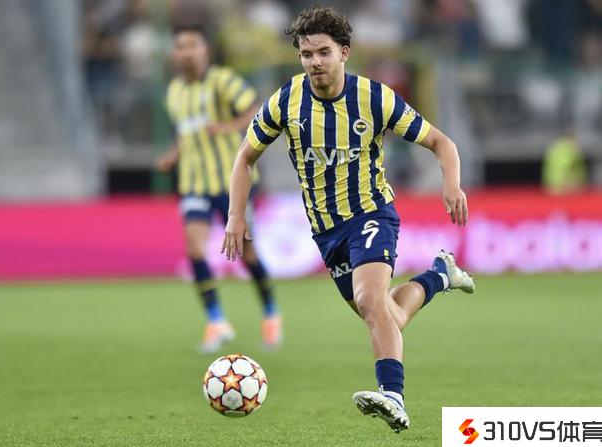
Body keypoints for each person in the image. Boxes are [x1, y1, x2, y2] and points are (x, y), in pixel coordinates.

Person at [222, 7, 475, 433]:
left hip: (372, 213)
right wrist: (235, 216)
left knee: (370, 301)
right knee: (387, 315)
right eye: (306, 54)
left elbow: (440, 142)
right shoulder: (286, 101)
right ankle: (438, 276)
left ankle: (393, 396)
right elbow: (245, 157)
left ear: (344, 52)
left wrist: (451, 185)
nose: (314, 62)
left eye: (323, 52)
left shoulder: (374, 98)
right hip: (326, 231)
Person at [156, 24, 282, 354]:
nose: (186, 52)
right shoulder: (174, 91)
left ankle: (271, 313)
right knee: (195, 251)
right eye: (180, 46)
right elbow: (186, 132)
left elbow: (256, 109)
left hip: (232, 183)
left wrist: (227, 127)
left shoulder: (222, 81)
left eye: (193, 45)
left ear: (205, 50)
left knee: (247, 254)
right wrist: (173, 155)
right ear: (174, 55)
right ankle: (216, 321)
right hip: (193, 183)